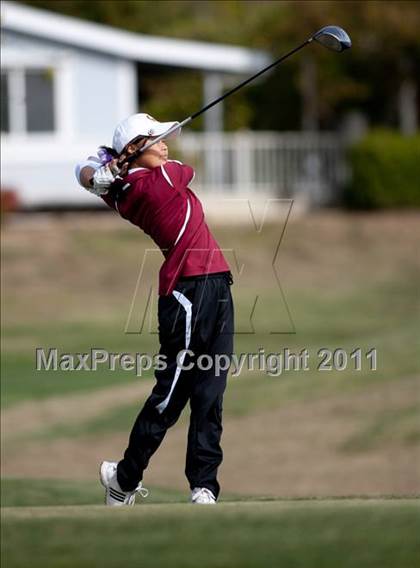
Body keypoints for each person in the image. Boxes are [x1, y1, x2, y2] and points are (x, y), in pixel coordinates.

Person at [75, 113, 234, 506]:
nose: (166, 145)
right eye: (157, 139)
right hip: (186, 292)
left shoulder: (121, 187)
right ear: (134, 149)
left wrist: (98, 172)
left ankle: (203, 486)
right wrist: (105, 170)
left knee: (210, 393)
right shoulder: (162, 180)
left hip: (216, 284)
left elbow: (83, 168)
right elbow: (188, 169)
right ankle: (124, 477)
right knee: (171, 396)